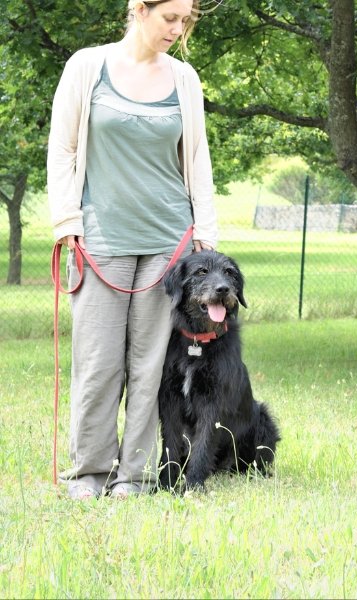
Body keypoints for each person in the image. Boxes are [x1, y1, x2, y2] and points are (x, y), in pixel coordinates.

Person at [47, 0, 218, 499]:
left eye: (185, 19)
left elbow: (199, 157)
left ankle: (135, 476)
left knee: (149, 366)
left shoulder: (185, 79)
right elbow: (63, 150)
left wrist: (204, 230)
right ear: (138, 10)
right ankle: (89, 471)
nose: (178, 28)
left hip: (170, 239)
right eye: (170, 18)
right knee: (99, 362)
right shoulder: (86, 67)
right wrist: (66, 223)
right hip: (100, 237)